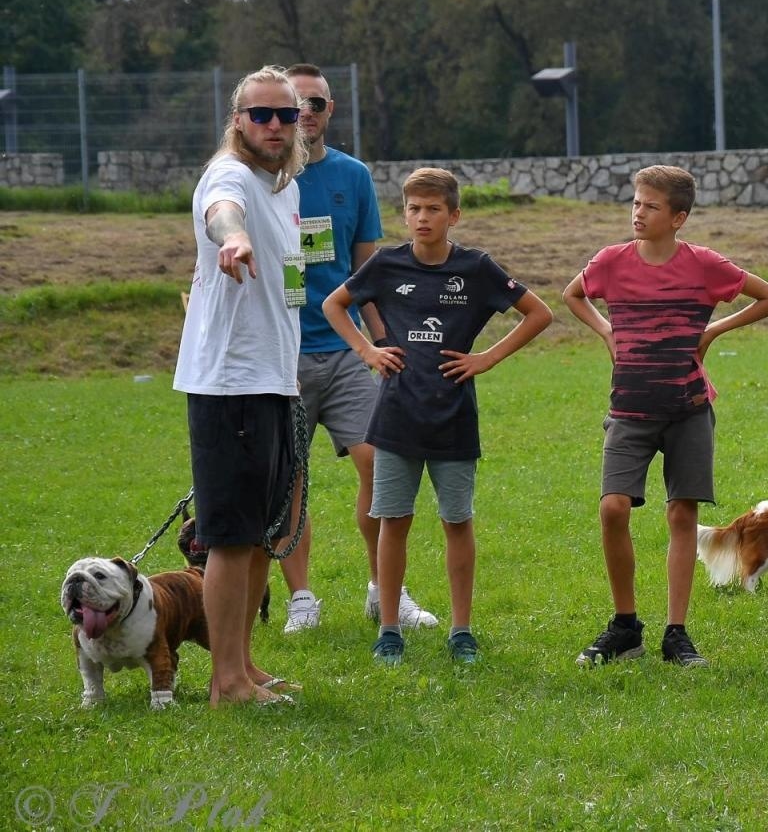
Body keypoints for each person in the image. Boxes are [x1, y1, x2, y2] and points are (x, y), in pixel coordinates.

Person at [323, 167, 553, 666]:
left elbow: (540, 313)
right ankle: (389, 630)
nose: (422, 218)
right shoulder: (386, 264)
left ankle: (461, 630)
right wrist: (368, 351)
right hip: (396, 418)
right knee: (393, 521)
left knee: (457, 521)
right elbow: (334, 304)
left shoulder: (476, 267)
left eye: (433, 209)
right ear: (404, 214)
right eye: (414, 209)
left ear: (454, 215)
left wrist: (486, 358)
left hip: (453, 418)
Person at [564, 165, 768, 669]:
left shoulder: (704, 264)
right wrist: (605, 331)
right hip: (629, 410)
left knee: (682, 515)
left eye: (651, 206)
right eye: (636, 203)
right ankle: (625, 627)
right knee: (613, 508)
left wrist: (714, 330)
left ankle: (676, 633)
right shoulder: (610, 261)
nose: (638, 213)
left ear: (679, 217)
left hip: (689, 410)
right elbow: (572, 294)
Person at [276, 62, 438, 634]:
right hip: (281, 355)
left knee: (380, 463)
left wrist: (384, 342)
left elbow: (368, 273)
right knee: (289, 479)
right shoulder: (260, 178)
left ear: (330, 110)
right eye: (294, 104)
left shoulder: (353, 175)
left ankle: (383, 590)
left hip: (346, 351)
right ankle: (301, 599)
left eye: (315, 103)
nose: (304, 113)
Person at [173, 65, 308, 706]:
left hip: (273, 380)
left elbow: (290, 282)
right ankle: (225, 682)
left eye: (287, 114)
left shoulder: (285, 187)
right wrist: (233, 240)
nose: (275, 125)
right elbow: (220, 214)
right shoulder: (229, 176)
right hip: (230, 384)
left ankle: (244, 666)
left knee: (261, 535)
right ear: (238, 121)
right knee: (229, 536)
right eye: (262, 115)